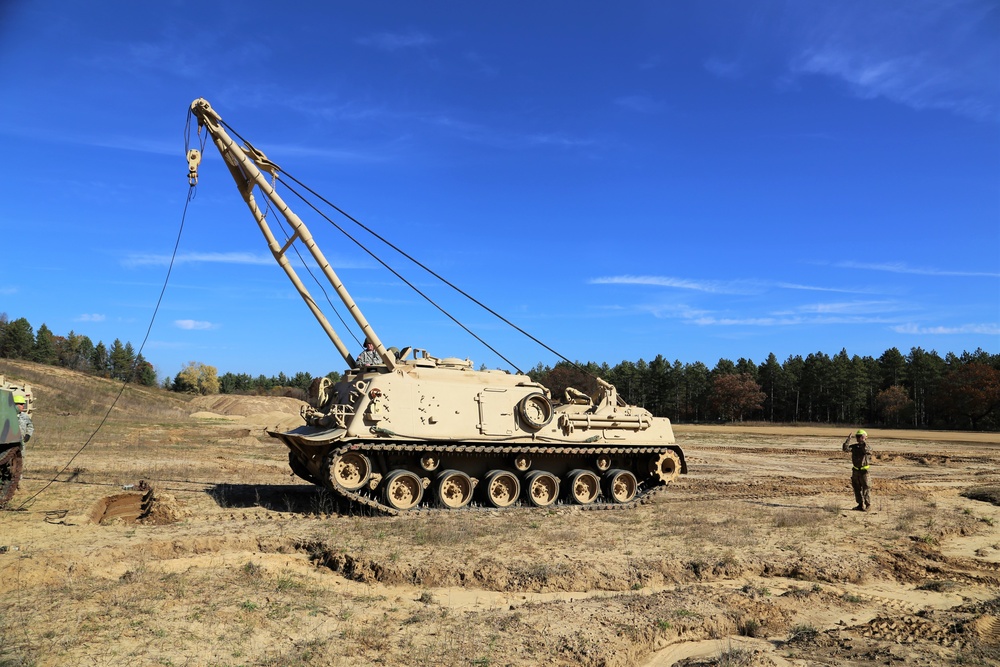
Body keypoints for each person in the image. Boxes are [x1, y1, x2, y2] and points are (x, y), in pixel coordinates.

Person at [842, 429, 872, 511]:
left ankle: (868, 505)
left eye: (860, 436)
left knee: (866, 489)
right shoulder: (854, 447)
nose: (858, 438)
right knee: (856, 489)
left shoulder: (867, 446)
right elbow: (845, 449)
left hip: (864, 472)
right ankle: (860, 505)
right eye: (857, 437)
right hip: (855, 471)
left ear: (864, 437)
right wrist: (848, 439)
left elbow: (867, 451)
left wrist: (864, 442)